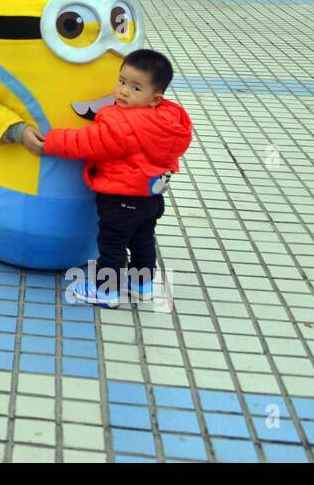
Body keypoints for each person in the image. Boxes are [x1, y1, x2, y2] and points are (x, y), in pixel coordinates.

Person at [11, 49, 192, 307]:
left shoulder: (122, 124)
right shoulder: (170, 120)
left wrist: (49, 142)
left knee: (112, 243)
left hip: (120, 198)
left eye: (135, 88)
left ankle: (106, 290)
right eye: (121, 82)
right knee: (143, 239)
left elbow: (86, 142)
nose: (124, 91)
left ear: (155, 98)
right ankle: (143, 284)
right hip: (150, 197)